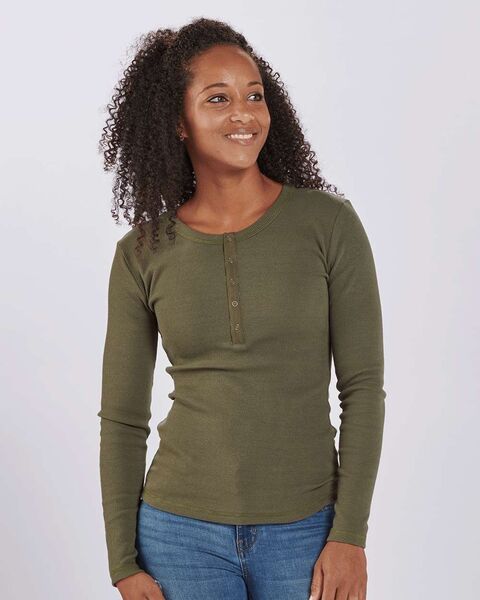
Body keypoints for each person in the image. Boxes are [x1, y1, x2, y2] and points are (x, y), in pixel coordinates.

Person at [97, 17, 386, 600]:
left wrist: (350, 535)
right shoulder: (142, 253)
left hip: (307, 531)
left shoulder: (328, 225)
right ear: (178, 122)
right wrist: (122, 562)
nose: (244, 114)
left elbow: (362, 388)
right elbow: (123, 418)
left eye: (254, 96)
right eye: (218, 99)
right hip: (177, 535)